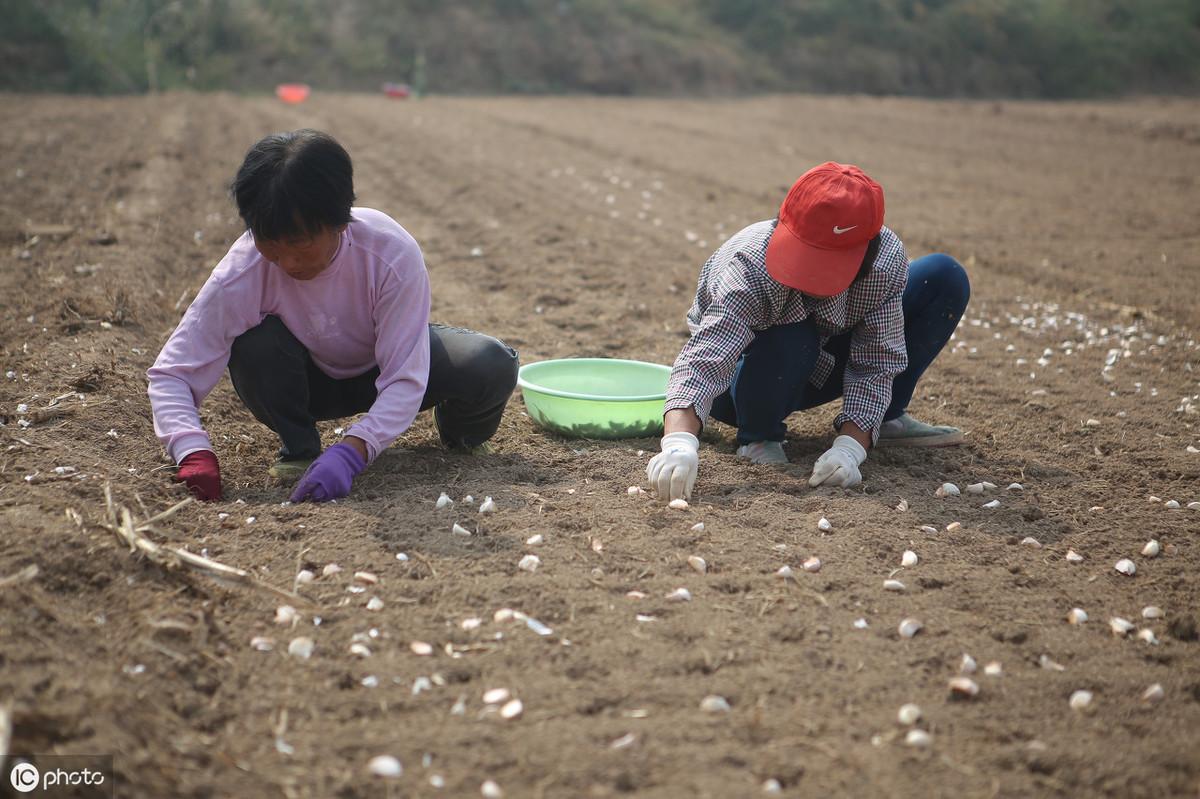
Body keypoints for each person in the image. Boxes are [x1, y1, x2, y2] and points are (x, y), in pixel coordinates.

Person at [147, 129, 519, 503]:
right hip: (306, 382)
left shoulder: (390, 253)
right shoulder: (243, 271)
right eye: (269, 243)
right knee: (254, 341)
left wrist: (353, 451)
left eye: (299, 243)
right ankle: (300, 448)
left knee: (489, 363)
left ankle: (460, 436)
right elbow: (173, 373)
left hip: (380, 367)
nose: (287, 262)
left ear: (341, 221)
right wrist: (192, 451)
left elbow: (405, 378)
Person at [647, 162, 969, 501]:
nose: (808, 277)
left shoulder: (884, 262)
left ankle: (880, 421)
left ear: (867, 251)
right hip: (743, 381)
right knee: (794, 331)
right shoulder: (750, 264)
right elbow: (706, 360)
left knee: (942, 276)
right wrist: (679, 444)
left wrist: (850, 448)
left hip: (820, 361)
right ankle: (759, 436)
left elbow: (877, 359)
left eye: (826, 264)